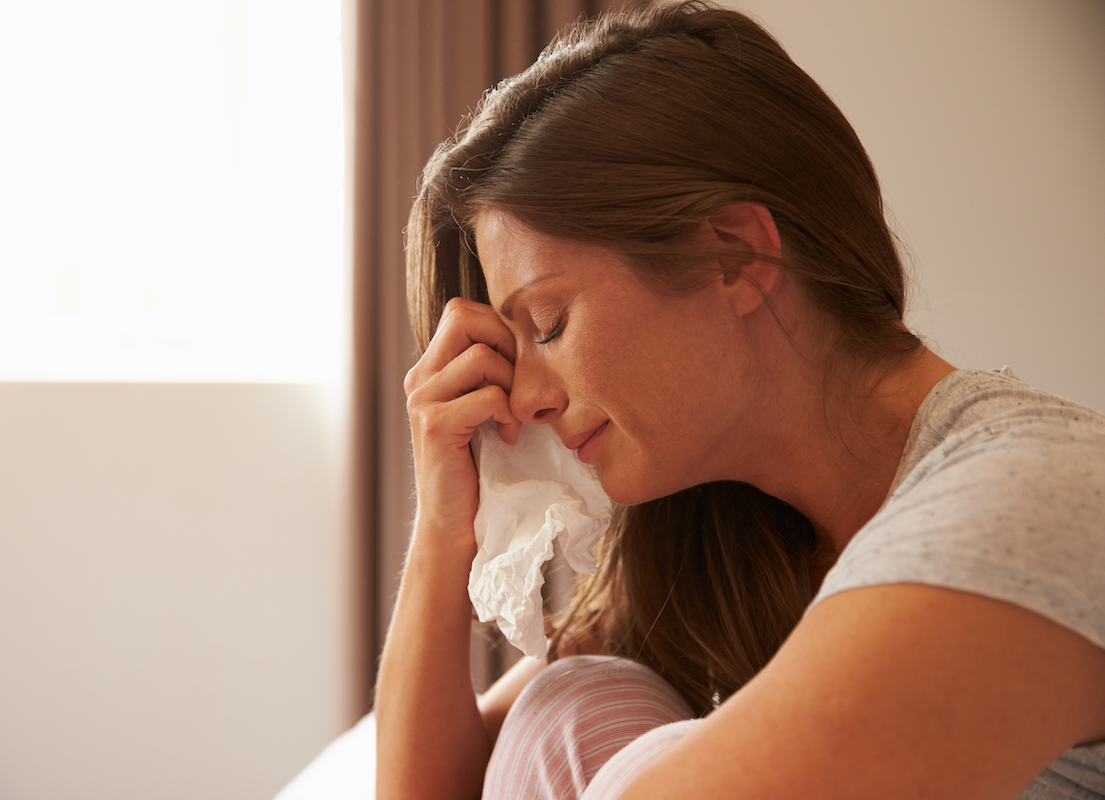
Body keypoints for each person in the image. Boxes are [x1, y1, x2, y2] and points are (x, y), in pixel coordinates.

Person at [373, 2, 1105, 798]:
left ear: (735, 255)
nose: (526, 399)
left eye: (547, 324)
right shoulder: (722, 546)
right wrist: (446, 530)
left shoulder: (1025, 499)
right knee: (569, 706)